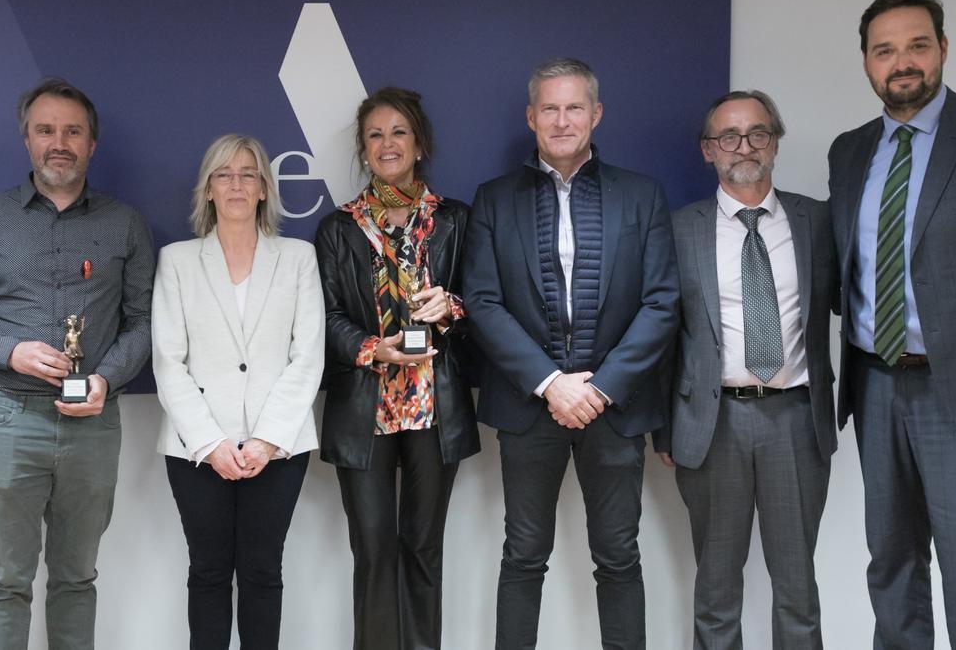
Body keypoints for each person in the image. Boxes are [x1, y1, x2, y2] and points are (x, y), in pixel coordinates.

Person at [462, 58, 679, 649]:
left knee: (618, 557)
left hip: (615, 409)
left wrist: (600, 387)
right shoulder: (494, 199)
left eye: (574, 107)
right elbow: (482, 302)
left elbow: (662, 303)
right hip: (530, 409)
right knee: (523, 557)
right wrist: (551, 382)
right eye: (550, 109)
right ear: (531, 117)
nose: (562, 120)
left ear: (596, 114)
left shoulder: (642, 196)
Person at [0, 77, 154, 649]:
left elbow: (144, 321)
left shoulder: (125, 223)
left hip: (93, 424)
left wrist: (106, 377)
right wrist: (10, 352)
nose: (59, 142)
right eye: (46, 130)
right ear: (27, 140)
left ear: (92, 144)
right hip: (10, 419)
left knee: (77, 579)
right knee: (5, 581)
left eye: (72, 131)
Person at [828, 0, 956, 649]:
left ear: (944, 49)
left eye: (918, 45)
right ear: (866, 62)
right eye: (884, 49)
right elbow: (850, 269)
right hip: (875, 384)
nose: (903, 62)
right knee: (891, 565)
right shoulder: (849, 150)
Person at [661, 90, 836, 649]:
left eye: (757, 133)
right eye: (728, 137)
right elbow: (662, 332)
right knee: (715, 591)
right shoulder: (677, 229)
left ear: (775, 142)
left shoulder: (817, 221)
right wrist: (664, 426)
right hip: (713, 427)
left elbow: (853, 304)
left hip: (796, 421)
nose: (745, 146)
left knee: (797, 589)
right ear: (708, 150)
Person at [315, 86, 479, 650]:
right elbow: (327, 319)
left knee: (423, 549)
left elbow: (483, 304)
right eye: (376, 134)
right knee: (374, 550)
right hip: (366, 407)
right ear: (364, 149)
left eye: (399, 132)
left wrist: (451, 307)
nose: (388, 144)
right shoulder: (339, 229)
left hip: (436, 408)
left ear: (420, 143)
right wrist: (372, 348)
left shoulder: (454, 220)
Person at [152, 134, 324, 649]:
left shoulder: (298, 257)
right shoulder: (177, 260)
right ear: (207, 189)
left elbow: (308, 356)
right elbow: (169, 360)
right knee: (207, 573)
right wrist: (211, 443)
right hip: (197, 450)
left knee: (262, 573)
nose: (235, 184)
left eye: (248, 174)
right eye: (223, 174)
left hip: (279, 448)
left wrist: (267, 440)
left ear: (265, 189)